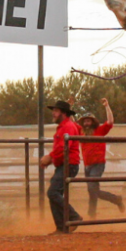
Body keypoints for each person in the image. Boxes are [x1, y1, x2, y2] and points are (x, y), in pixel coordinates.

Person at [39, 100, 84, 233]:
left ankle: (73, 217)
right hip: (66, 164)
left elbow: (64, 147)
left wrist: (50, 157)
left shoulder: (68, 127)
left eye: (56, 111)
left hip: (69, 164)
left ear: (63, 114)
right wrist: (52, 159)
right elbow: (62, 148)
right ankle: (62, 226)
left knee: (53, 192)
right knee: (54, 193)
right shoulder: (65, 126)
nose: (53, 113)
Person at [79, 98, 126, 217]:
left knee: (92, 189)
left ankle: (93, 213)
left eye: (88, 121)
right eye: (85, 121)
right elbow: (72, 123)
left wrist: (107, 106)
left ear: (93, 122)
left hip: (98, 164)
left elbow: (110, 121)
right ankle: (113, 201)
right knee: (92, 190)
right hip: (87, 166)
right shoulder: (81, 133)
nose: (86, 123)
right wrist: (68, 108)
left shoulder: (99, 130)